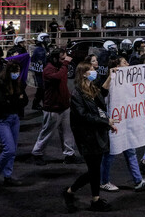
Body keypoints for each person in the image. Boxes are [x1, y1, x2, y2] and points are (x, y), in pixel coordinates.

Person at [63, 62, 119, 213]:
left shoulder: (93, 88)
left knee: (95, 170)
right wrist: (106, 121)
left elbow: (102, 99)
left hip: (97, 134)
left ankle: (96, 199)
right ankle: (69, 191)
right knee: (93, 170)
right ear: (83, 73)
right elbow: (83, 116)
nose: (94, 71)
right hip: (86, 136)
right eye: (91, 69)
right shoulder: (77, 94)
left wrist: (110, 77)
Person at [99, 57, 145, 192]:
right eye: (124, 63)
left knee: (131, 151)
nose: (128, 64)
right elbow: (102, 95)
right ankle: (103, 181)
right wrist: (111, 76)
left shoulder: (128, 81)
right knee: (110, 154)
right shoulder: (110, 82)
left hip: (127, 123)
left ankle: (138, 181)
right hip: (114, 124)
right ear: (117, 66)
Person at [31, 49, 78, 165]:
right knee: (47, 132)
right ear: (54, 58)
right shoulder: (48, 70)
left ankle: (69, 154)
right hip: (52, 107)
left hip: (64, 106)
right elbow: (57, 77)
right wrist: (66, 64)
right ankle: (37, 153)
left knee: (67, 132)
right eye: (62, 59)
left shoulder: (60, 68)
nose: (64, 61)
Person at [0, 62, 27, 189]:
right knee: (9, 149)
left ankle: (8, 176)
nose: (17, 74)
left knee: (13, 150)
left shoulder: (17, 84)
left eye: (18, 71)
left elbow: (24, 100)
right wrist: (16, 99)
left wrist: (13, 100)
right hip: (2, 119)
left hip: (14, 118)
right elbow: (2, 103)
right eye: (14, 71)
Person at [30, 32, 51, 110]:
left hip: (43, 71)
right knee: (41, 88)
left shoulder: (44, 48)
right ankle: (38, 104)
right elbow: (41, 61)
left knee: (42, 89)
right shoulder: (39, 50)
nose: (48, 40)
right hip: (40, 72)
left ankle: (39, 104)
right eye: (46, 38)